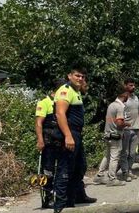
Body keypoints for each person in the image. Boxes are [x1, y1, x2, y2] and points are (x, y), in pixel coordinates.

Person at [53, 67, 96, 213]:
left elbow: (84, 88)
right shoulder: (64, 91)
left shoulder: (75, 92)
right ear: (69, 76)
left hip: (76, 134)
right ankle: (60, 207)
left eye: (82, 76)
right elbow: (60, 114)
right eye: (77, 76)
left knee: (79, 167)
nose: (80, 79)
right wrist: (68, 136)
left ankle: (72, 202)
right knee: (65, 170)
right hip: (69, 134)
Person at [34, 78, 63, 209]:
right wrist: (40, 140)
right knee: (48, 171)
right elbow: (39, 123)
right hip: (48, 141)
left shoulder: (62, 103)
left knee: (62, 169)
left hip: (60, 140)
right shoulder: (44, 102)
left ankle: (61, 196)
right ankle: (48, 198)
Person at [93, 88, 128, 187]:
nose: (127, 97)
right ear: (124, 94)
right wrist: (127, 124)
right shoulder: (119, 107)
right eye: (127, 95)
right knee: (114, 157)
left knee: (107, 156)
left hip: (108, 135)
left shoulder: (111, 105)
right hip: (115, 135)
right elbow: (119, 123)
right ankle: (112, 178)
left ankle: (99, 176)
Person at [119, 78, 139, 182]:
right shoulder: (122, 98)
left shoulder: (136, 98)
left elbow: (138, 113)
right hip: (126, 129)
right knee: (125, 152)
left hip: (136, 129)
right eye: (130, 85)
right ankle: (125, 173)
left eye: (134, 85)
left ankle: (129, 170)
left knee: (133, 153)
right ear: (125, 86)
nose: (133, 87)